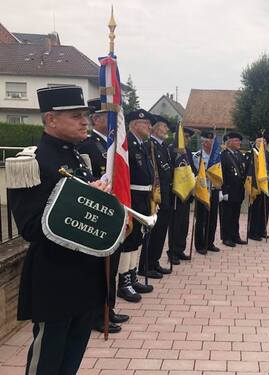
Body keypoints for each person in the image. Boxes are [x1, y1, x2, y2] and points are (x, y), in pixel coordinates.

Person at [7, 85, 109, 374]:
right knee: (48, 358)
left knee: (73, 353)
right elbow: (30, 227)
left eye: (85, 116)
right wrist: (81, 202)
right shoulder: (31, 162)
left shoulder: (79, 158)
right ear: (51, 120)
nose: (84, 122)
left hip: (85, 273)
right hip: (54, 275)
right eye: (76, 116)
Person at [77, 98, 129, 334]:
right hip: (98, 212)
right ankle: (99, 315)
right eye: (108, 118)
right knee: (101, 267)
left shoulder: (112, 145)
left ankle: (109, 308)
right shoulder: (88, 145)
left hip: (113, 210)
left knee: (113, 263)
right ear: (96, 119)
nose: (112, 123)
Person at [117, 109, 156, 303]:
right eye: (145, 123)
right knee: (129, 239)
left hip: (143, 197)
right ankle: (124, 283)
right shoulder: (127, 145)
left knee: (137, 239)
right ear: (133, 124)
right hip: (131, 197)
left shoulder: (142, 145)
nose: (149, 126)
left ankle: (132, 277)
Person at [142, 115, 173, 275]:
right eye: (164, 126)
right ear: (154, 128)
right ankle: (145, 265)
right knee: (153, 231)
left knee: (161, 231)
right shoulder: (150, 145)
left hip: (165, 194)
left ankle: (154, 261)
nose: (166, 129)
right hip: (155, 195)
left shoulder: (163, 146)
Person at [167, 126, 196, 264]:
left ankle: (180, 249)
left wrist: (196, 177)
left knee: (184, 224)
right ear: (177, 136)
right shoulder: (171, 150)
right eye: (184, 136)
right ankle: (172, 252)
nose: (187, 139)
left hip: (186, 193)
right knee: (175, 224)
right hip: (175, 194)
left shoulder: (187, 152)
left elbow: (192, 169)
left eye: (189, 137)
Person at [193, 130, 222, 254]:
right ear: (203, 143)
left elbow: (220, 174)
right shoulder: (197, 157)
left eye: (212, 142)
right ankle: (200, 245)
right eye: (208, 142)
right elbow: (196, 174)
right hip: (203, 191)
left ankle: (210, 243)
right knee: (201, 219)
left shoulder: (216, 156)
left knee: (213, 218)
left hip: (214, 190)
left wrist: (220, 189)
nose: (210, 144)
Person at [220, 132, 248, 247]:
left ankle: (235, 236)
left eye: (239, 141)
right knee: (226, 215)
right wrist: (223, 191)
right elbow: (221, 175)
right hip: (228, 190)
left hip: (238, 190)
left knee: (236, 215)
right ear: (229, 142)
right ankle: (226, 237)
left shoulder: (240, 155)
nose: (239, 143)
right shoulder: (223, 156)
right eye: (236, 141)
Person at [248, 136, 269, 241]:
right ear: (255, 142)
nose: (262, 143)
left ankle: (262, 230)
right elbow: (250, 170)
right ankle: (253, 233)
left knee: (265, 208)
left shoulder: (266, 154)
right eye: (260, 141)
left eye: (264, 141)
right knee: (255, 210)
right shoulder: (252, 153)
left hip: (266, 184)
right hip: (256, 185)